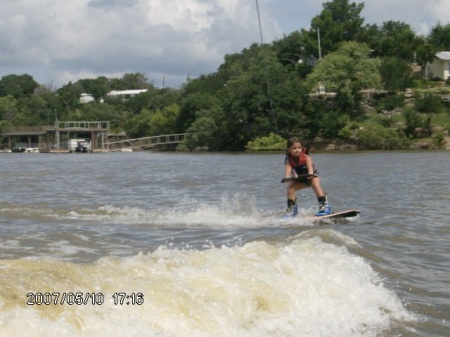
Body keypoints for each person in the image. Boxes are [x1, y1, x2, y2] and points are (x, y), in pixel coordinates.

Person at [282, 137, 331, 217]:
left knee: (316, 185)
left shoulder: (307, 157)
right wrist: (288, 179)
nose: (297, 150)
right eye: (294, 148)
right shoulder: (288, 162)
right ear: (289, 150)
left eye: (299, 148)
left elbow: (311, 172)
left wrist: (309, 176)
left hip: (312, 178)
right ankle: (292, 211)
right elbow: (287, 175)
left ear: (302, 148)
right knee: (290, 189)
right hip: (300, 180)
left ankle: (324, 207)